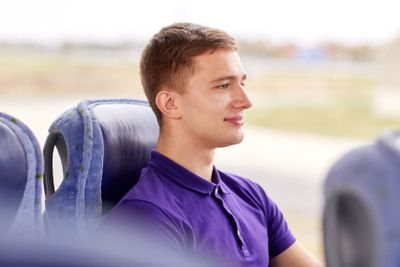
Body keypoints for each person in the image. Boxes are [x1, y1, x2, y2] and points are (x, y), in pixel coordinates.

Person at [104, 23, 322, 267]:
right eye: (223, 86)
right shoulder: (145, 218)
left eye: (243, 83)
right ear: (171, 104)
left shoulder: (251, 195)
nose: (245, 101)